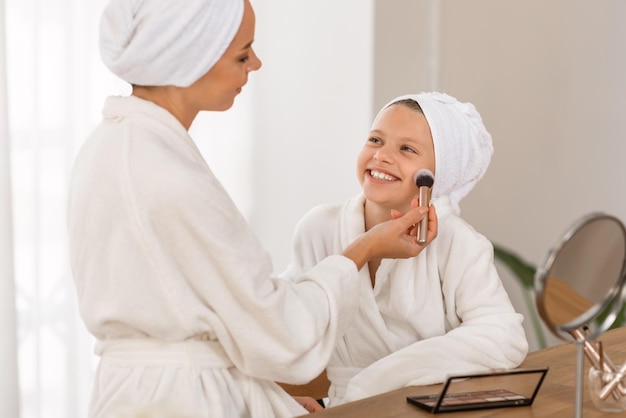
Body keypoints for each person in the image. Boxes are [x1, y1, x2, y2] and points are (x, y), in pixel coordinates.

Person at [66, 1, 436, 417]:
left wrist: (255, 393)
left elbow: (209, 315)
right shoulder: (167, 174)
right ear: (194, 57)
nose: (256, 63)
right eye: (243, 53)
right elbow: (280, 331)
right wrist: (363, 250)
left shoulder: (110, 147)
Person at [281, 92, 529, 407]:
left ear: (440, 176)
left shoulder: (457, 243)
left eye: (407, 149)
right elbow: (285, 321)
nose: (382, 156)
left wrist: (376, 381)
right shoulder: (319, 228)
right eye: (375, 140)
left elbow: (503, 336)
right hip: (343, 409)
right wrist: (284, 400)